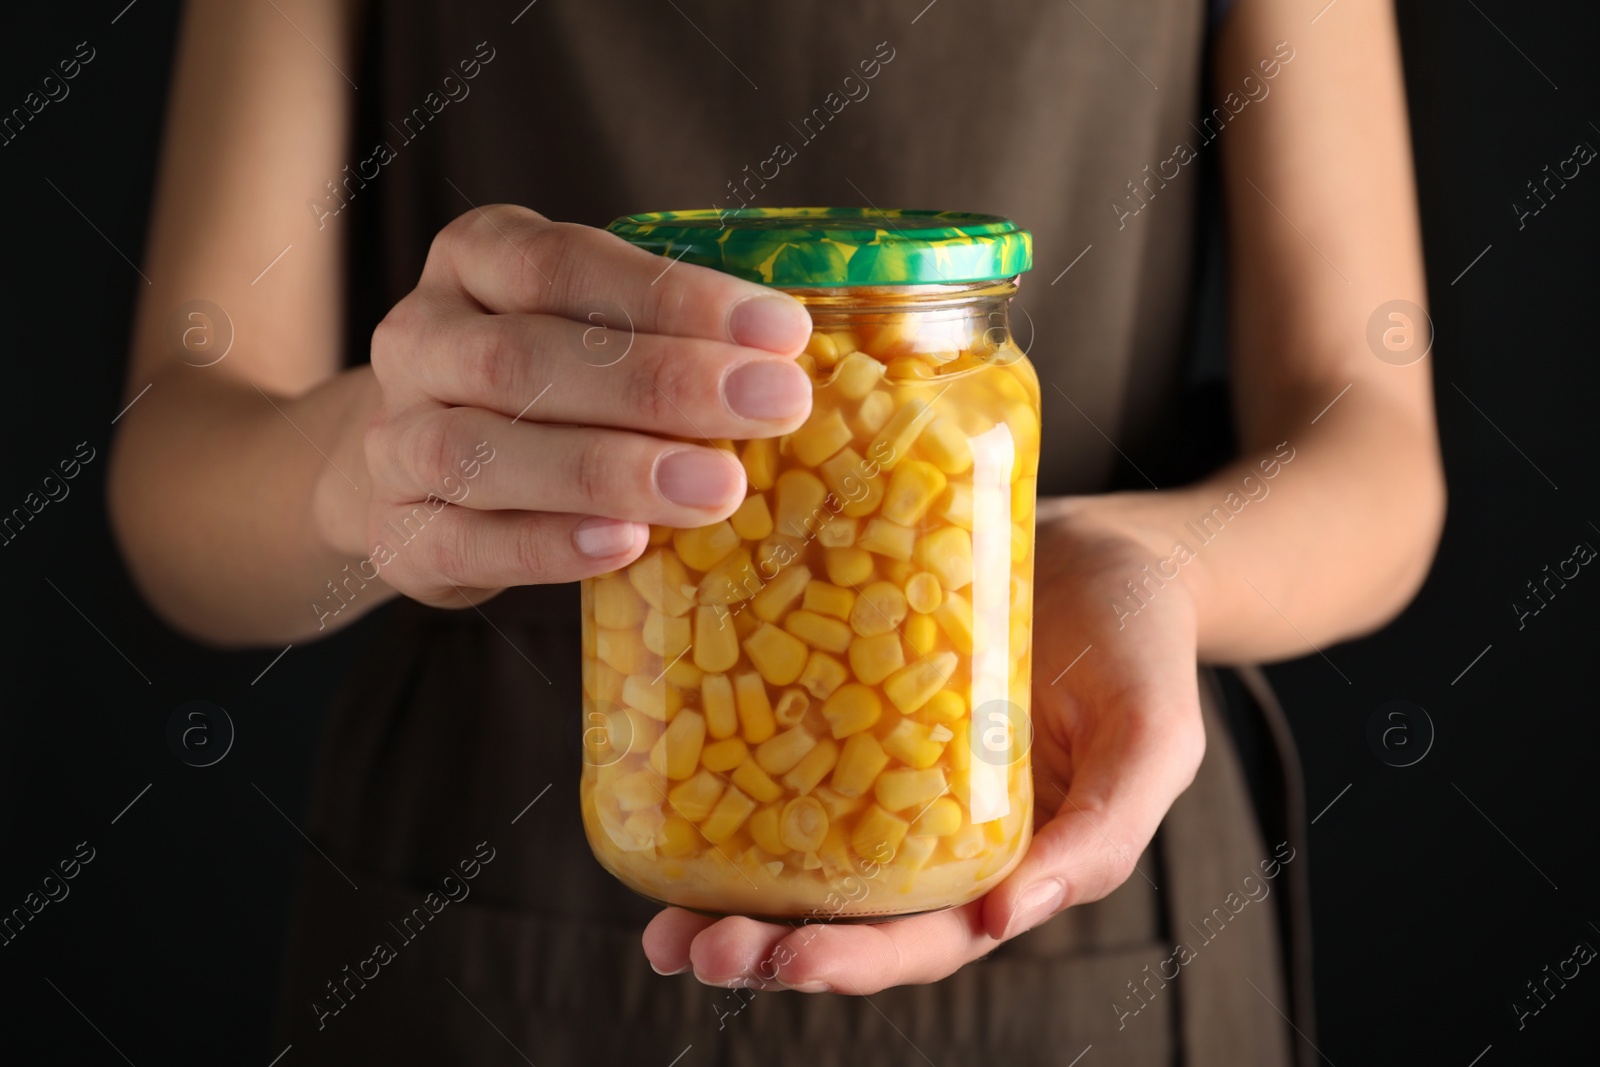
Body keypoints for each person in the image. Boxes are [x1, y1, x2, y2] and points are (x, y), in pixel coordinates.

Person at [109, 0, 1443, 1062]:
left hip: (1069, 816)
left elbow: (1377, 452)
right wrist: (371, 472)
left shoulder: (977, 399)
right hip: (485, 896)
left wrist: (1154, 568)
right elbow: (176, 484)